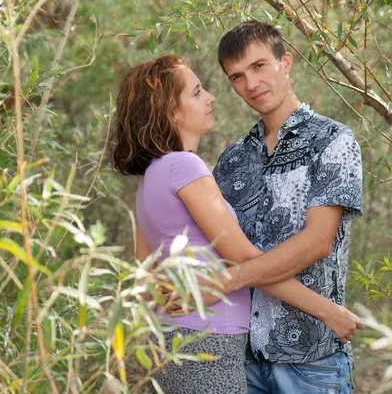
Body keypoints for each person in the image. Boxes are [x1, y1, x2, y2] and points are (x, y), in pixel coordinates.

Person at [113, 54, 363, 394]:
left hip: (166, 340)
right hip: (208, 343)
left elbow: (145, 275)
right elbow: (245, 258)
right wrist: (328, 311)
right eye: (197, 92)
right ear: (171, 111)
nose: (211, 98)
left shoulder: (150, 178)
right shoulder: (186, 167)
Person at [210, 19, 363, 393]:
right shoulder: (231, 162)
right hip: (242, 359)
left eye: (259, 66)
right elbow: (219, 248)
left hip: (312, 361)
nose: (251, 84)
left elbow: (317, 242)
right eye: (237, 76)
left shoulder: (332, 141)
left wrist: (230, 280)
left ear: (286, 62)